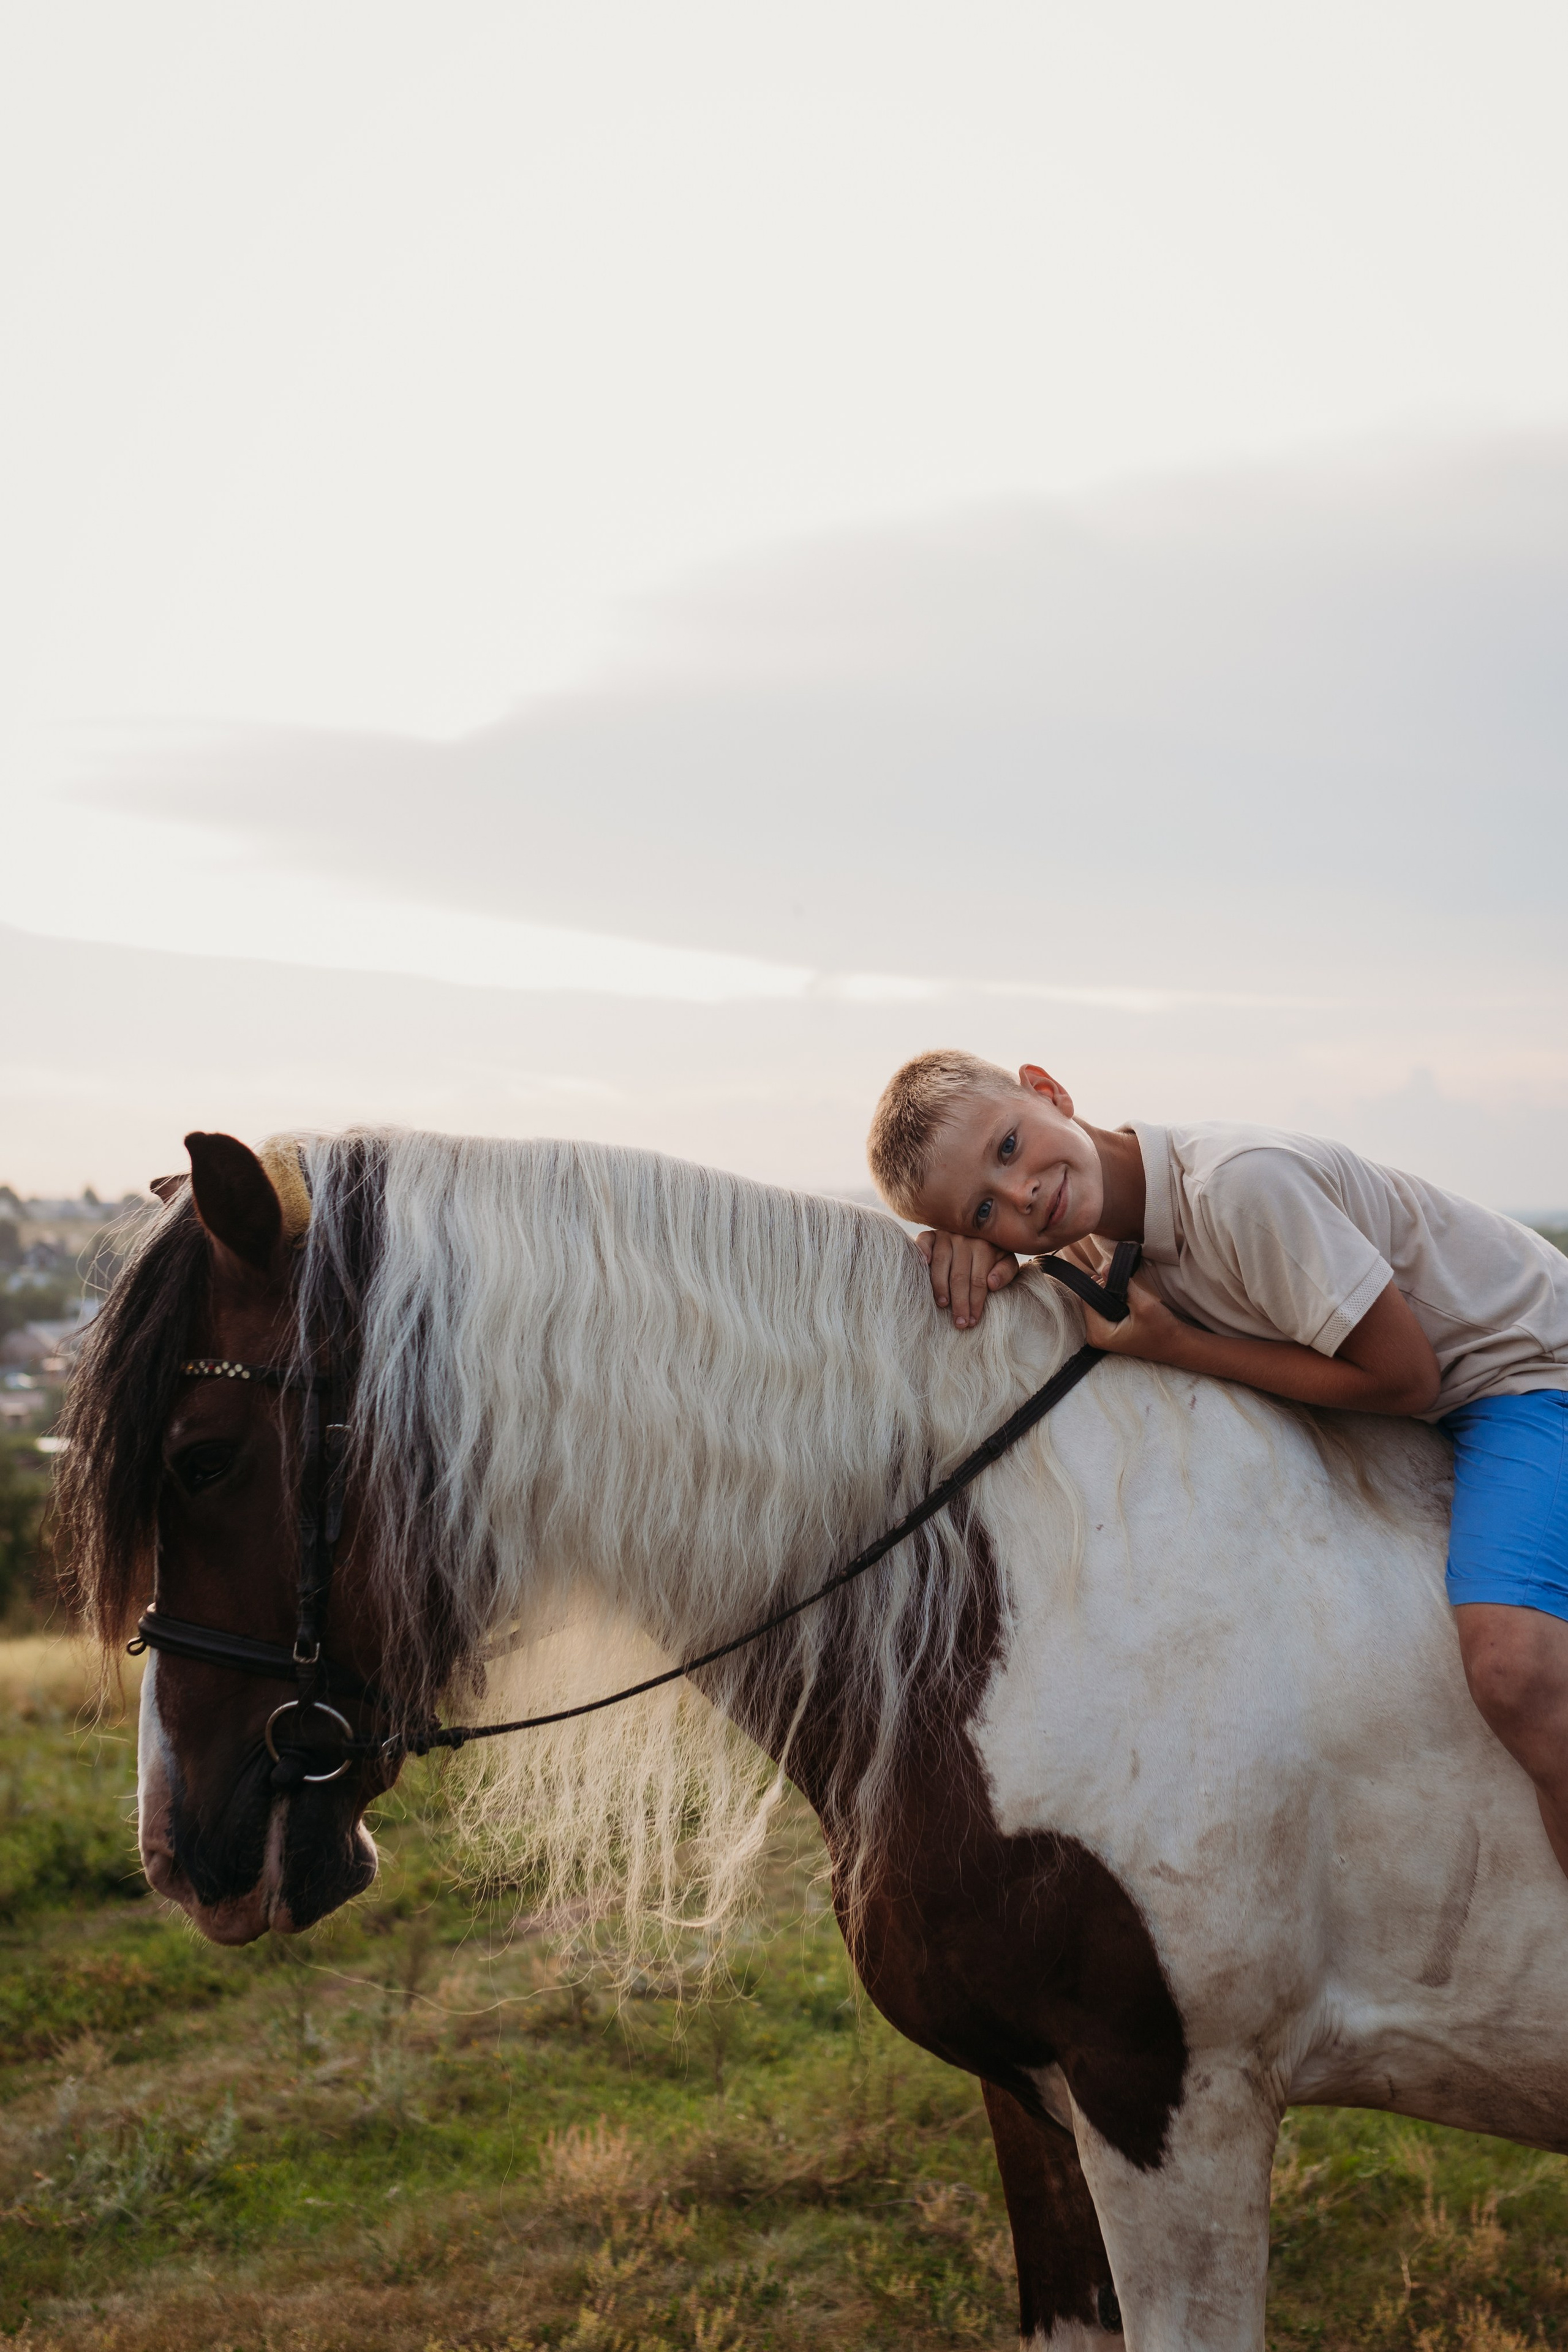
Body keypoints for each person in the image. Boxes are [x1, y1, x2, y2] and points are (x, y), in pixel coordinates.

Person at [866, 1049, 1568, 1877]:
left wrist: (1180, 1347)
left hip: (1528, 1370)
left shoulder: (1240, 1187)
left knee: (1513, 1669)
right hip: (1451, 1396)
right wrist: (985, 1262)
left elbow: (1408, 1378)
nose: (1020, 1193)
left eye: (1009, 1146)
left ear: (1048, 1091)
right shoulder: (1086, 1240)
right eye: (985, 1209)